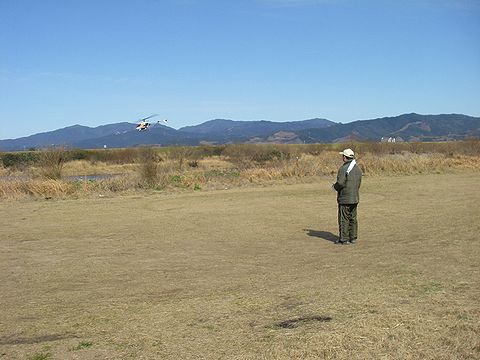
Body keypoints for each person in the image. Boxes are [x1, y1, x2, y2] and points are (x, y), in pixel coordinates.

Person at [332, 148, 362, 245]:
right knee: (353, 218)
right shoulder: (357, 168)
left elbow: (340, 183)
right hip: (355, 197)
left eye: (343, 156)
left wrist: (334, 187)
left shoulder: (343, 168)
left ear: (345, 157)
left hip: (345, 198)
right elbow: (358, 183)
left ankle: (344, 239)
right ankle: (352, 237)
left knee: (344, 218)